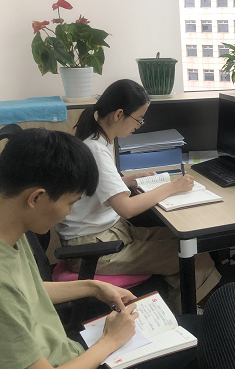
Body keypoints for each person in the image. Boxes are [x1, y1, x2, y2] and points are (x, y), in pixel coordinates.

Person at [0, 129, 205, 369]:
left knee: (195, 328)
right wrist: (110, 340)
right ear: (36, 197)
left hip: (62, 355)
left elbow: (22, 292)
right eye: (70, 202)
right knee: (204, 351)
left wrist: (93, 286)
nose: (68, 214)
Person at [56, 79, 220, 313]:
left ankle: (178, 307)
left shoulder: (98, 139)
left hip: (107, 233)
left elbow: (93, 187)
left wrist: (124, 181)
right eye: (139, 119)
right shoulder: (96, 149)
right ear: (118, 114)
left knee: (183, 241)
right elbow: (127, 208)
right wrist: (172, 187)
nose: (139, 125)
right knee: (190, 254)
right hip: (97, 247)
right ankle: (184, 316)